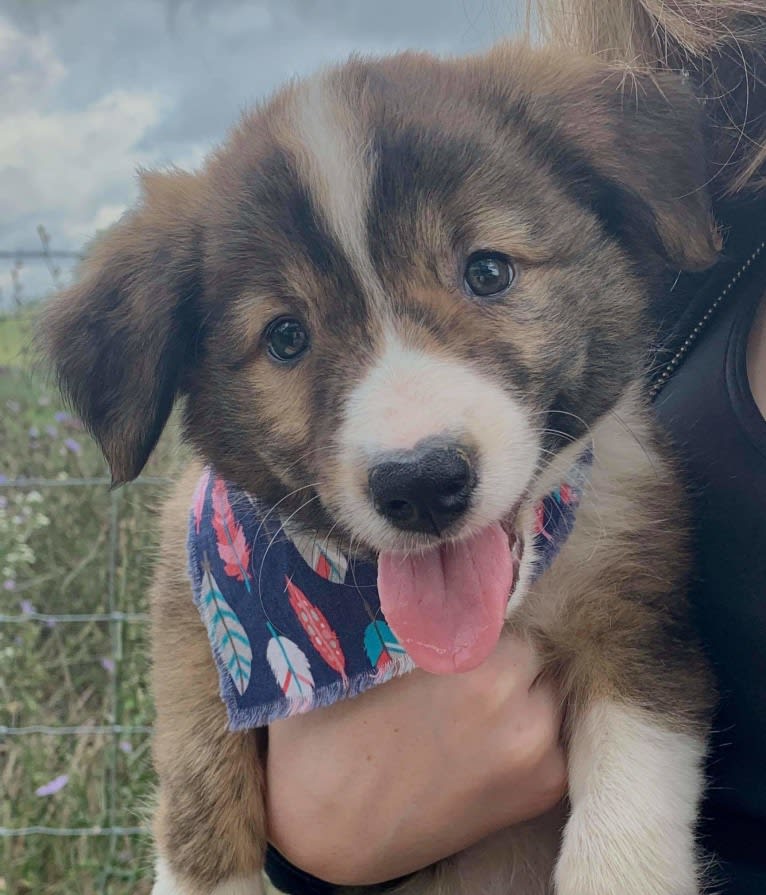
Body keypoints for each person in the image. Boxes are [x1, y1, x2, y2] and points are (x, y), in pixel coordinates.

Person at [265, 2, 766, 892]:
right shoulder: (702, 204)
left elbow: (642, 652)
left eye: (485, 274)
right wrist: (306, 843)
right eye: (292, 337)